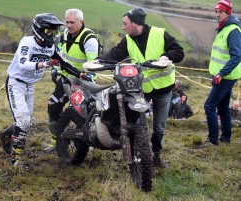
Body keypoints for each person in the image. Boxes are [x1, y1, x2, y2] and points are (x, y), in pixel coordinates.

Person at [94, 8, 184, 168]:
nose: (123, 27)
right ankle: (136, 152)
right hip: (140, 89)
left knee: (159, 127)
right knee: (134, 121)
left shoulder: (160, 34)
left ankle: (155, 155)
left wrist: (167, 56)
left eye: (125, 24)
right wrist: (98, 61)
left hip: (163, 89)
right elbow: (116, 53)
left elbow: (179, 52)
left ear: (135, 23)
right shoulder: (128, 40)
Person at [0, 13, 92, 167]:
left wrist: (80, 74)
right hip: (16, 83)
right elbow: (23, 64)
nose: (51, 34)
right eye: (49, 31)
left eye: (54, 31)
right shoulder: (27, 42)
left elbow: (63, 63)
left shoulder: (50, 47)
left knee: (27, 123)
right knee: (23, 121)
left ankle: (7, 134)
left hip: (30, 85)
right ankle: (16, 162)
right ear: (39, 30)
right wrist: (45, 64)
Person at [46, 8, 99, 151]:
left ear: (81, 22)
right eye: (67, 22)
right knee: (53, 106)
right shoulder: (65, 34)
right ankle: (56, 139)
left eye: (72, 22)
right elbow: (60, 55)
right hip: (65, 78)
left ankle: (86, 142)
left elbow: (93, 65)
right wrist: (55, 70)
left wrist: (86, 81)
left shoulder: (89, 39)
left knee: (78, 113)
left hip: (82, 81)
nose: (68, 25)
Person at [195, 0, 241, 148]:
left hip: (225, 77)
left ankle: (213, 140)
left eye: (220, 12)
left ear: (228, 12)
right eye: (216, 12)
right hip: (224, 75)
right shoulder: (224, 28)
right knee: (222, 108)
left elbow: (237, 56)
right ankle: (226, 138)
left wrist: (221, 73)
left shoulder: (232, 30)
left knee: (209, 105)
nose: (217, 14)